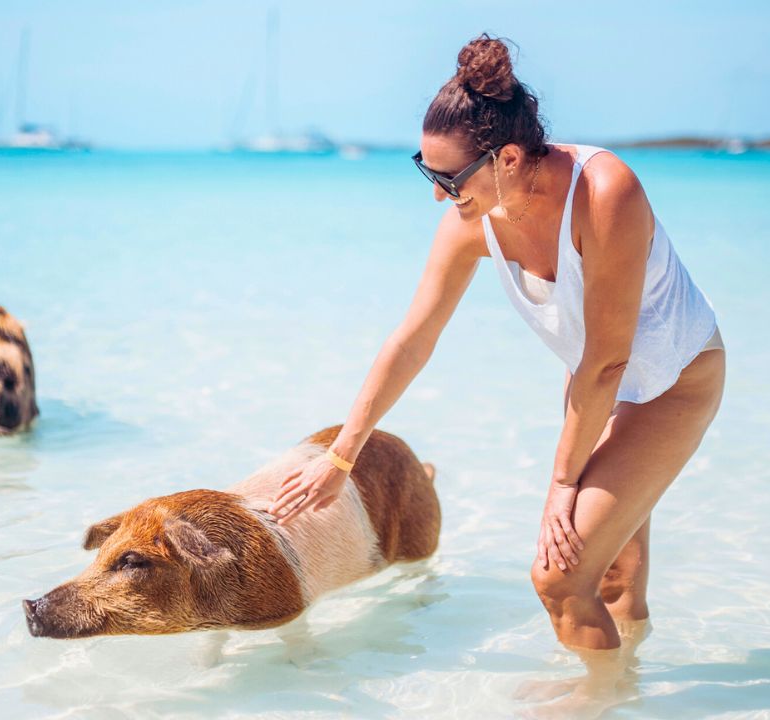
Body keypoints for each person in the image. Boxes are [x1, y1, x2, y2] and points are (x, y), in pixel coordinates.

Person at [268, 34, 725, 651]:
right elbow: (413, 338)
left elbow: (609, 357)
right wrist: (342, 455)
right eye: (425, 171)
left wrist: (561, 485)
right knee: (613, 576)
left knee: (559, 579)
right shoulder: (471, 223)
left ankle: (594, 703)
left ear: (507, 158)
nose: (437, 193)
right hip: (594, 391)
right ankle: (626, 692)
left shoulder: (604, 192)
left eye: (448, 178)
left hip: (672, 384)